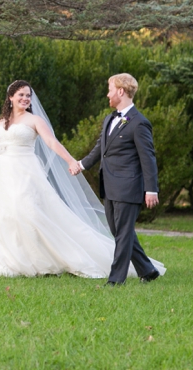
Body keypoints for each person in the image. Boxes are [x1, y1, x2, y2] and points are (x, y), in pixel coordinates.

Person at [0, 80, 165, 280]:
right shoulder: (2, 123)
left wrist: (71, 161)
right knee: (7, 216)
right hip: (6, 175)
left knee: (28, 213)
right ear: (10, 98)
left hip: (27, 174)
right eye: (21, 95)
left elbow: (52, 142)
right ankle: (14, 261)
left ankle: (48, 259)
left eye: (28, 95)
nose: (26, 99)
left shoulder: (35, 120)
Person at [69, 74, 164, 286]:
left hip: (128, 187)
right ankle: (147, 270)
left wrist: (151, 189)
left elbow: (148, 158)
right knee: (120, 231)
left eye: (110, 89)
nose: (107, 94)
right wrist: (81, 165)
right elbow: (99, 149)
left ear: (121, 91)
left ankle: (116, 280)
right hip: (109, 186)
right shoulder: (110, 119)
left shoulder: (140, 123)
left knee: (122, 234)